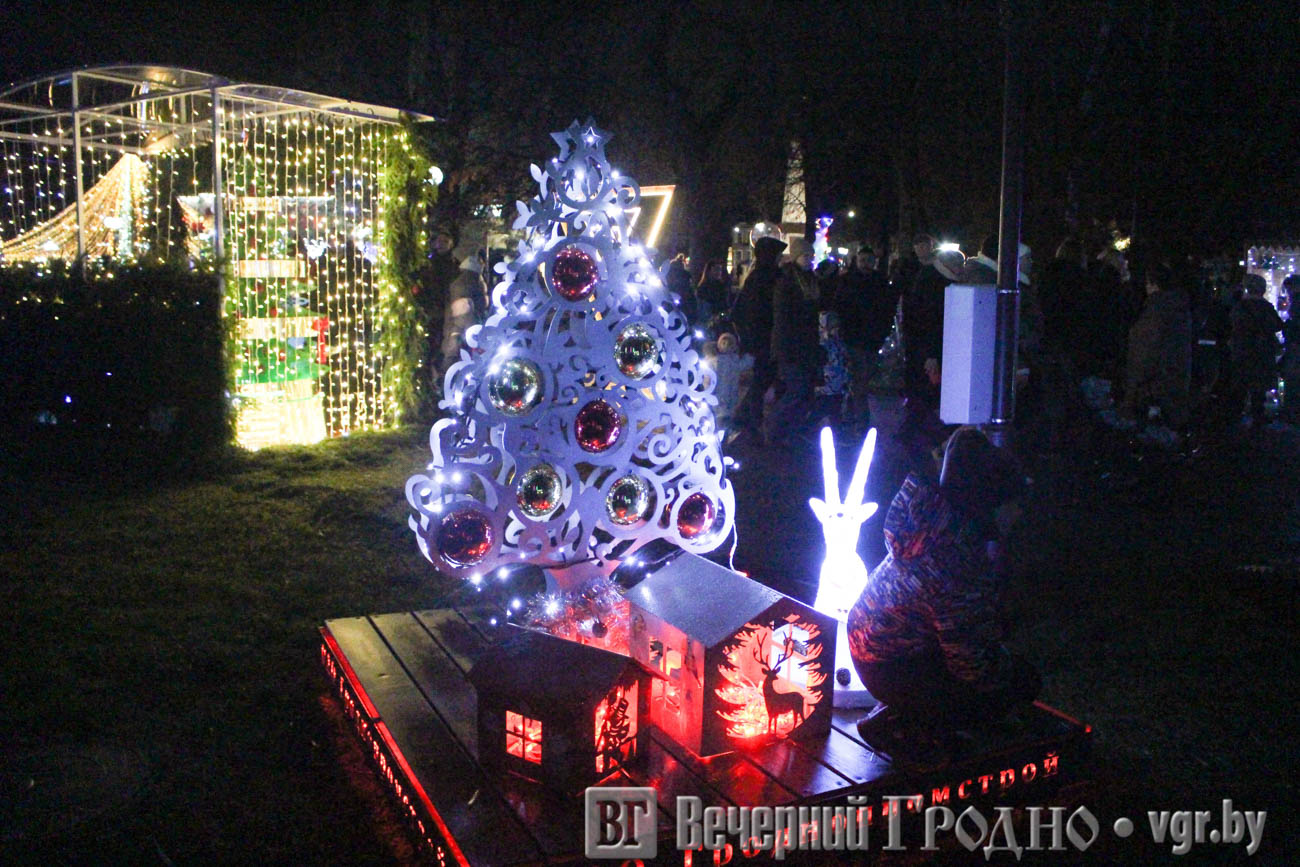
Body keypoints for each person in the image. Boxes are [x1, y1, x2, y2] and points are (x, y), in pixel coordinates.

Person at [849, 427, 1038, 757]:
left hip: (876, 648)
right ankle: (912, 726)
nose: (1020, 514)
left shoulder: (933, 527)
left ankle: (905, 711)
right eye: (1014, 504)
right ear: (991, 504)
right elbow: (969, 664)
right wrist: (1011, 674)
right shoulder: (954, 564)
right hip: (892, 667)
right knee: (1017, 685)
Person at [1122, 256, 1192, 429]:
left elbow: (1142, 356)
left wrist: (1131, 396)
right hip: (1174, 385)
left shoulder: (1155, 313)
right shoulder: (1180, 310)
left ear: (1152, 284)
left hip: (1154, 390)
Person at [765, 235, 822, 446]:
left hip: (806, 345)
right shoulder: (787, 281)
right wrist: (785, 348)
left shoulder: (810, 280)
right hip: (790, 346)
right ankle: (774, 428)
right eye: (805, 255)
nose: (809, 259)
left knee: (804, 391)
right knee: (796, 389)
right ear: (796, 257)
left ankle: (790, 432)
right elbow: (783, 318)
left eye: (810, 256)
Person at [730, 228, 786, 439]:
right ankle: (752, 421)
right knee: (764, 379)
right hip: (766, 337)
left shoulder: (757, 277)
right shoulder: (769, 277)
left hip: (761, 337)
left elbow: (738, 310)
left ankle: (747, 417)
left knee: (763, 379)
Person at [1229, 273, 1284, 425]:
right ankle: (1257, 415)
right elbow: (1277, 325)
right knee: (1258, 386)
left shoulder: (1240, 306)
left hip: (1242, 349)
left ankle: (1236, 414)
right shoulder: (1265, 307)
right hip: (1261, 350)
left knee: (1241, 383)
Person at [439, 244, 487, 376]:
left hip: (461, 330)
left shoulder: (470, 278)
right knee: (454, 356)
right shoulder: (468, 281)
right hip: (462, 331)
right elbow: (464, 312)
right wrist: (476, 333)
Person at [704, 331, 752, 434]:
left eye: (729, 344)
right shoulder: (714, 361)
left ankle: (725, 433)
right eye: (724, 343)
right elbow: (708, 378)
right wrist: (707, 391)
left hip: (730, 395)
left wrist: (750, 358)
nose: (726, 346)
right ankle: (717, 433)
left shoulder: (733, 360)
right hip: (718, 395)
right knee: (719, 415)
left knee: (727, 416)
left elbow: (742, 365)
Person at [694, 260, 731, 331]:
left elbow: (725, 302)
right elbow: (700, 305)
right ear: (709, 271)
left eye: (720, 269)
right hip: (706, 319)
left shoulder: (722, 286)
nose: (718, 272)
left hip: (719, 319)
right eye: (716, 269)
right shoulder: (703, 287)